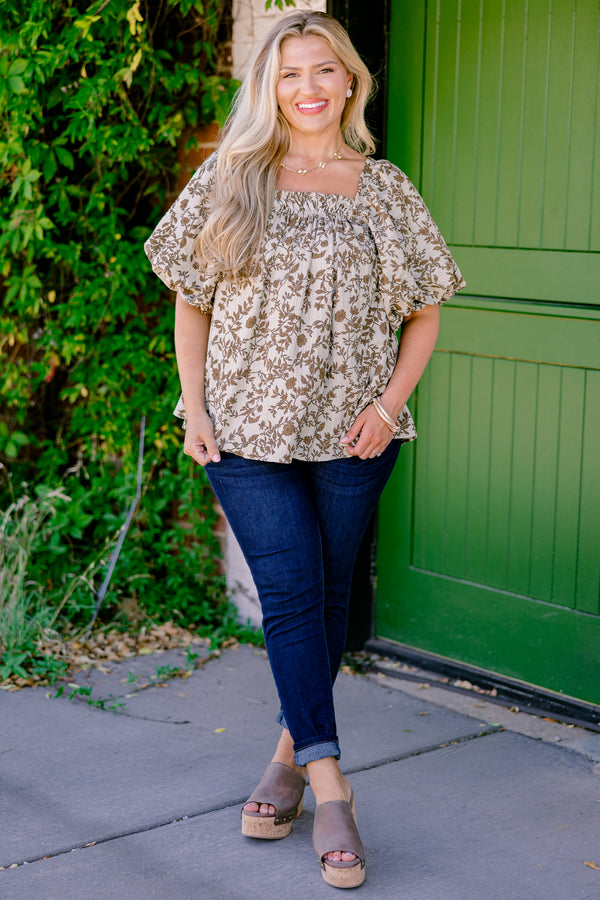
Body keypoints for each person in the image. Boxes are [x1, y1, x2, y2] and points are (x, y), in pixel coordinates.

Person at [145, 10, 465, 889]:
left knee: (325, 599)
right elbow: (191, 300)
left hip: (355, 435)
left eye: (323, 69)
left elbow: (425, 311)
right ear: (269, 87)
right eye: (289, 73)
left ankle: (287, 760)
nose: (308, 88)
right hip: (244, 430)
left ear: (350, 79)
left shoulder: (384, 188)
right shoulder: (232, 175)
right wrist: (194, 408)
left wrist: (389, 407)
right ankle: (332, 791)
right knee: (291, 595)